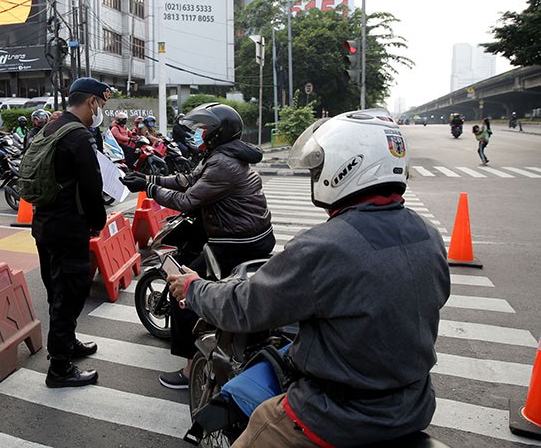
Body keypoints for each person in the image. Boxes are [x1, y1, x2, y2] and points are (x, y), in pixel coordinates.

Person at [167, 109, 450, 447]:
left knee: (261, 420)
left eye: (317, 168)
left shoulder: (325, 246)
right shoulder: (427, 234)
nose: (315, 176)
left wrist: (194, 288)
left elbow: (246, 307)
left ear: (345, 167)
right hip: (413, 405)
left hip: (336, 414)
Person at [121, 102, 275, 390]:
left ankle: (191, 369)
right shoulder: (221, 155)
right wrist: (147, 180)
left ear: (216, 133)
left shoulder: (222, 163)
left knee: (185, 291)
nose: (197, 135)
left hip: (235, 241)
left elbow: (188, 199)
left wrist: (151, 190)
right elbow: (188, 179)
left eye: (202, 130)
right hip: (249, 235)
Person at [31, 77, 109, 388]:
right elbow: (92, 186)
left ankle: (68, 343)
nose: (101, 110)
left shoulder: (51, 127)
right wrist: (98, 221)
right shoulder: (78, 136)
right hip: (68, 229)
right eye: (100, 105)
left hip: (45, 226)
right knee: (71, 294)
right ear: (91, 102)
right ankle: (59, 368)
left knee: (57, 292)